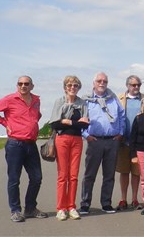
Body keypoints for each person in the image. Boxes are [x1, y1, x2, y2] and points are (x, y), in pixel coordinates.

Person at [0, 76, 49, 222]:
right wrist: (4, 122)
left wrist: (31, 125)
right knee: (14, 179)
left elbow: (36, 116)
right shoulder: (10, 99)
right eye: (20, 84)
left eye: (26, 84)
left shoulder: (36, 100)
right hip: (15, 144)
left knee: (36, 178)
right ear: (17, 85)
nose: (23, 86)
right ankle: (15, 210)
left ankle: (30, 208)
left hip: (31, 144)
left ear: (32, 86)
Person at [79, 72, 125, 215]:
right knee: (89, 174)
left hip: (112, 141)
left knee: (109, 175)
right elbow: (79, 119)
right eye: (99, 80)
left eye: (104, 81)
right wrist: (86, 135)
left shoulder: (113, 99)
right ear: (93, 83)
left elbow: (122, 116)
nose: (102, 83)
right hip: (95, 141)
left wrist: (121, 133)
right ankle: (85, 204)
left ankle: (106, 203)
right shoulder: (86, 100)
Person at [49, 75, 90, 221]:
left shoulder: (82, 103)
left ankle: (71, 206)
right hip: (62, 140)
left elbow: (85, 125)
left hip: (77, 140)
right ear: (65, 87)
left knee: (73, 175)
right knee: (63, 175)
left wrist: (68, 121)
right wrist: (75, 122)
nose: (72, 88)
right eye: (70, 85)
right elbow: (55, 124)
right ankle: (61, 208)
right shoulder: (59, 102)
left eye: (76, 85)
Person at [115, 75, 144, 211]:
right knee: (124, 171)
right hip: (123, 141)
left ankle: (134, 199)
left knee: (136, 173)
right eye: (133, 85)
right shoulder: (119, 98)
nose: (136, 87)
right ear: (127, 85)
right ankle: (123, 199)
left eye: (138, 84)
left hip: (139, 142)